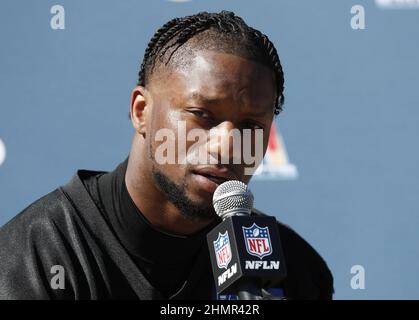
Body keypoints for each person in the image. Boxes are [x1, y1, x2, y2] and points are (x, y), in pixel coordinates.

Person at [0, 11, 333, 300]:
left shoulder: (292, 269)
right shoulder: (33, 258)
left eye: (250, 125)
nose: (227, 145)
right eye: (202, 114)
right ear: (141, 111)